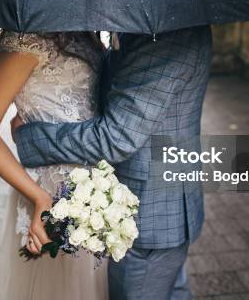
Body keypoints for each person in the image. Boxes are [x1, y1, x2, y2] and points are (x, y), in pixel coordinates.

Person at [12, 26, 213, 300]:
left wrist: (32, 137)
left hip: (151, 214)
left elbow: (116, 137)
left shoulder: (165, 34)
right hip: (158, 200)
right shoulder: (156, 20)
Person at [0, 30, 107, 300]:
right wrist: (39, 198)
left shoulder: (84, 31)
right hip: (49, 192)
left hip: (94, 187)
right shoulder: (25, 38)